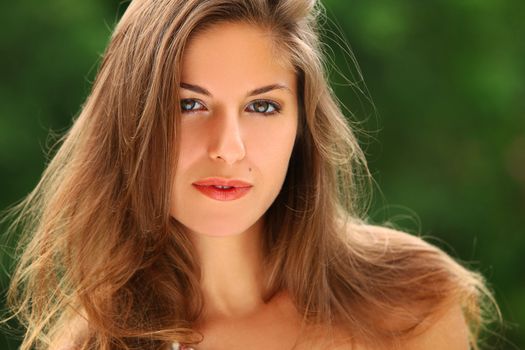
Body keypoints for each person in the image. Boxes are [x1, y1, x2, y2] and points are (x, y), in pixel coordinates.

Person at [2, 0, 499, 349]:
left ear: (302, 126)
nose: (228, 148)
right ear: (131, 123)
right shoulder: (93, 346)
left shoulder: (410, 301)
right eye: (190, 104)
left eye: (262, 106)